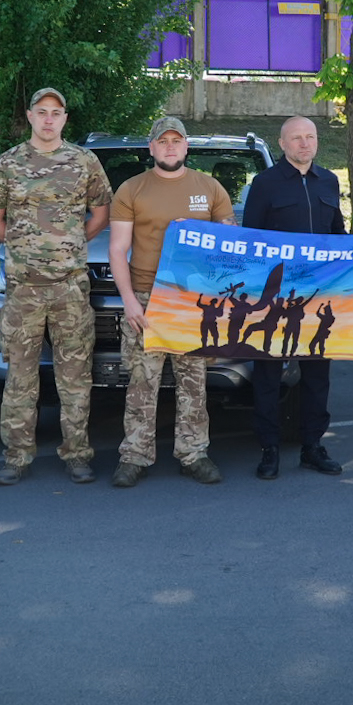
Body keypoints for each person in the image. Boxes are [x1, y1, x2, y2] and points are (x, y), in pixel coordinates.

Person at [0, 87, 113, 485]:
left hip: (69, 287)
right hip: (23, 289)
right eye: (42, 112)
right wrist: (25, 248)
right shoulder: (8, 163)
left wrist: (70, 245)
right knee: (20, 376)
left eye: (56, 112)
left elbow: (101, 213)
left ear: (65, 118)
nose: (49, 119)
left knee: (75, 376)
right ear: (30, 116)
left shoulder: (84, 161)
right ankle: (16, 457)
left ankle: (77, 454)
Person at [108, 117, 237, 488]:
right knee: (142, 382)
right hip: (146, 297)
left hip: (192, 301)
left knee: (194, 382)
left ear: (186, 146)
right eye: (162, 141)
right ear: (151, 147)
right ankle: (134, 456)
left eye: (175, 141)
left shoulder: (209, 188)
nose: (169, 147)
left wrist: (202, 231)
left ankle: (193, 453)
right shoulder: (131, 189)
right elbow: (117, 249)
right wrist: (129, 301)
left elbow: (230, 243)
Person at [243, 115, 345, 480]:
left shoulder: (329, 181)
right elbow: (250, 241)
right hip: (275, 299)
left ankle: (312, 447)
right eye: (296, 138)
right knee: (268, 375)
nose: (304, 143)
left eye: (310, 137)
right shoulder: (264, 184)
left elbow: (338, 236)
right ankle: (269, 449)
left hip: (318, 298)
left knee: (317, 376)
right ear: (283, 144)